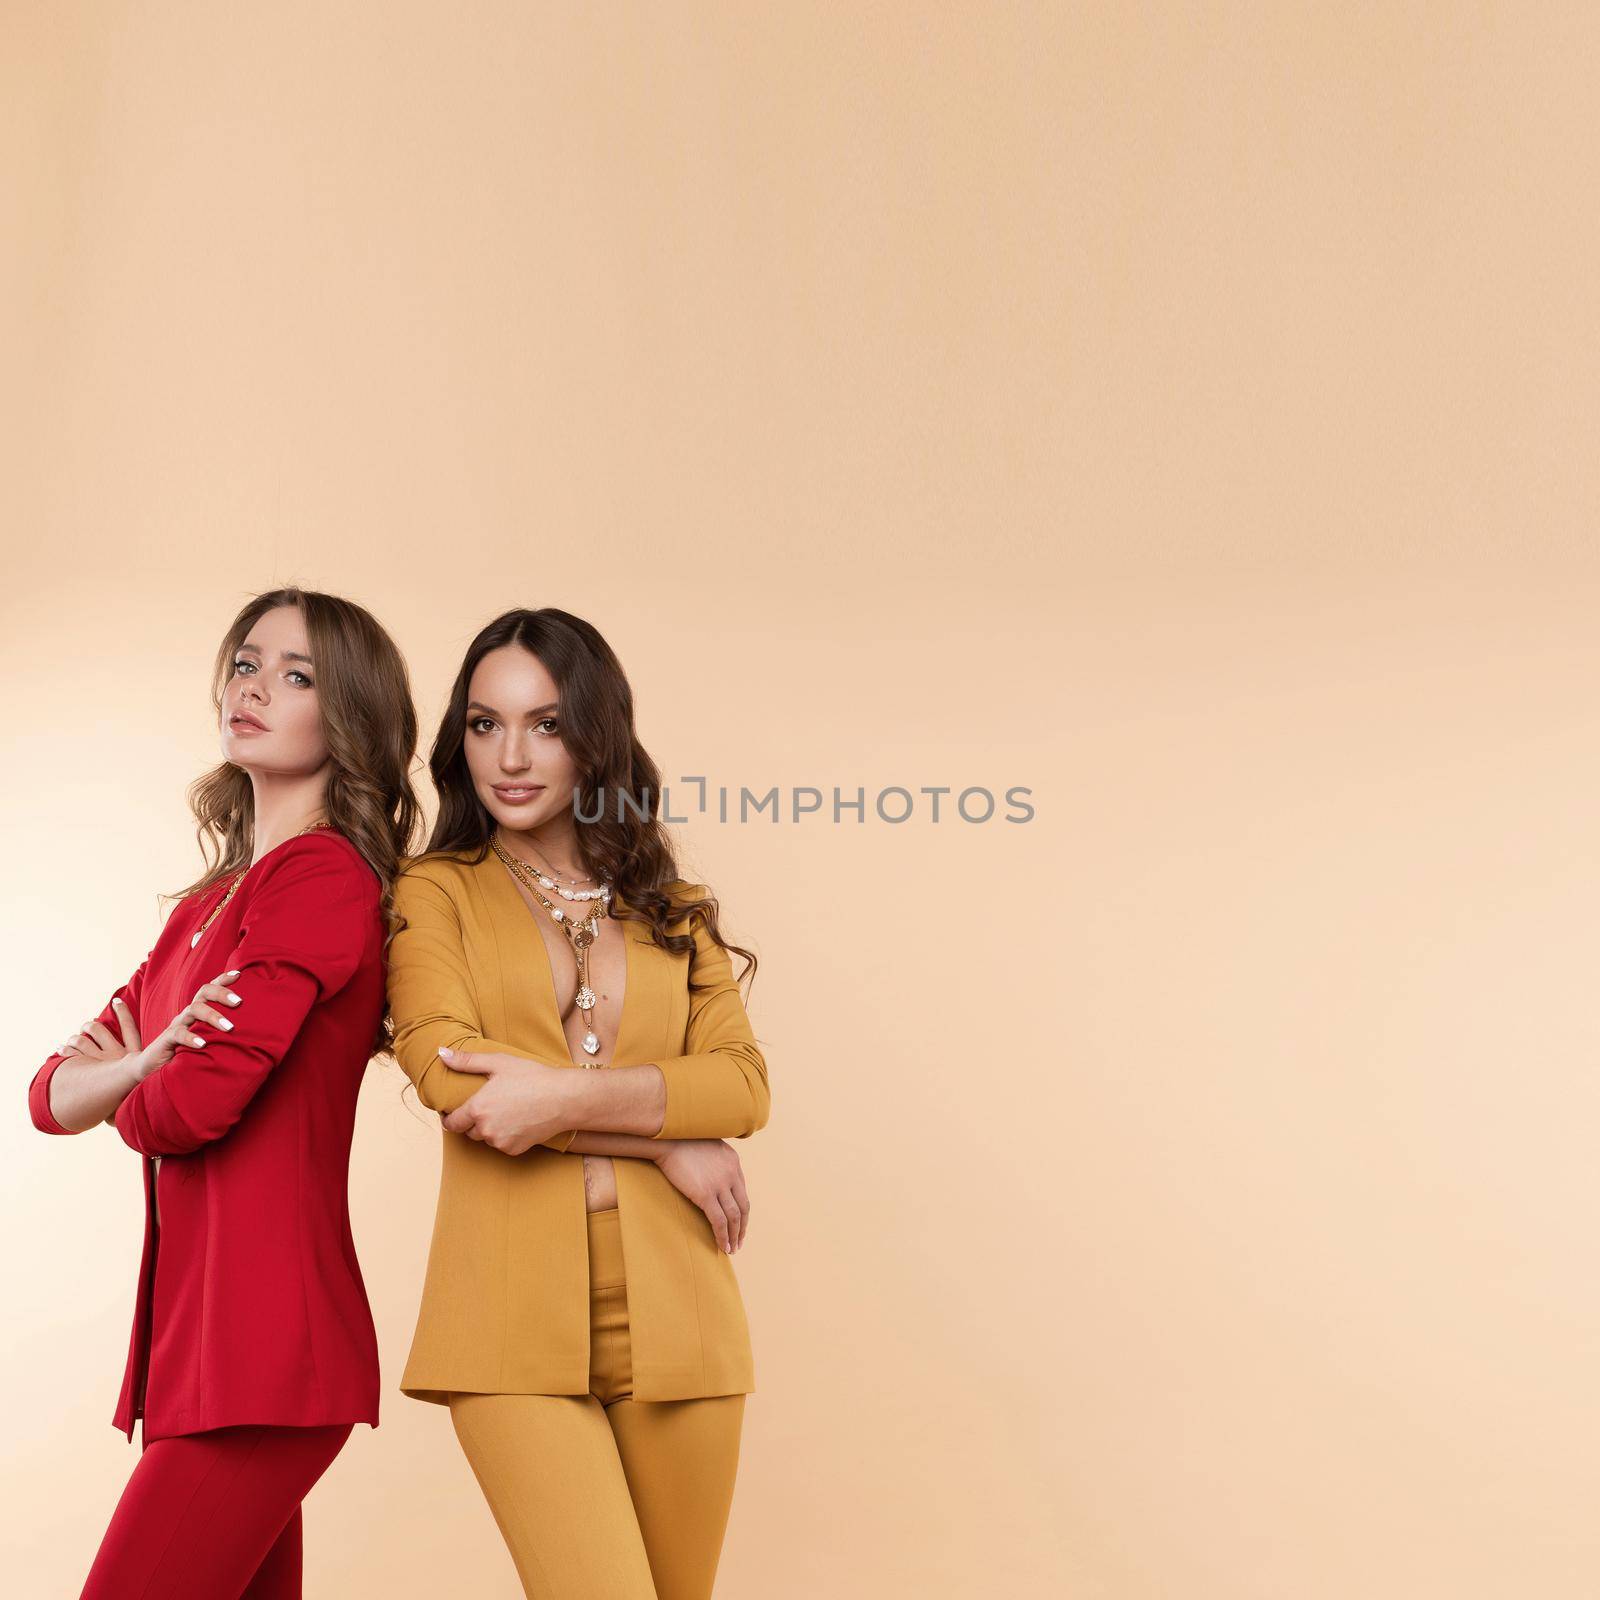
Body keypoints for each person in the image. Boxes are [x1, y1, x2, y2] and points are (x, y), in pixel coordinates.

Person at [27, 588, 421, 1599]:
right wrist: (131, 1070)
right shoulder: (203, 911)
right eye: (248, 662)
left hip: (266, 1357)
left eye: (298, 676)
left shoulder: (321, 879)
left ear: (349, 720)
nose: (256, 687)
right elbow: (46, 1091)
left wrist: (129, 1084)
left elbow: (190, 1107)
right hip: (207, 1359)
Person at [386, 606, 769, 1599]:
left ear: (596, 736)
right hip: (507, 1318)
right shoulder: (436, 892)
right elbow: (452, 1077)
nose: (510, 755)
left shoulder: (670, 907)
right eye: (483, 723)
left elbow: (741, 1083)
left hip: (683, 1319)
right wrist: (666, 1142)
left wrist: (559, 1095)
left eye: (546, 724)